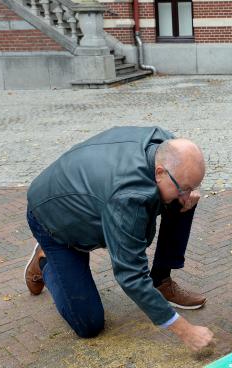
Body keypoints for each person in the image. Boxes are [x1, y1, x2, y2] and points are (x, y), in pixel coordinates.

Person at [24, 126, 214, 351]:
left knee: (183, 202)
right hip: (53, 219)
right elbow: (130, 274)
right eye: (184, 187)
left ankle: (160, 281)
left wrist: (186, 191)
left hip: (89, 196)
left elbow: (180, 186)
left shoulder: (166, 146)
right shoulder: (128, 197)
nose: (188, 193)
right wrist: (185, 330)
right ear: (160, 172)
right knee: (89, 324)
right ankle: (45, 259)